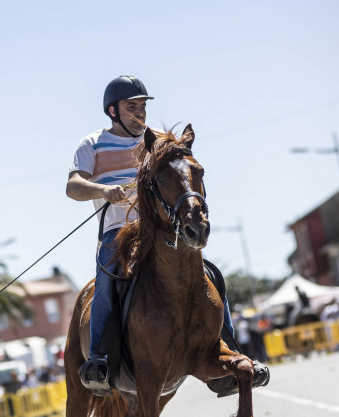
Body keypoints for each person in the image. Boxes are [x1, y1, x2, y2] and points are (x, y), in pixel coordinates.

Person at [67, 75, 235, 390]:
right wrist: (103, 190)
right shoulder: (92, 144)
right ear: (113, 111)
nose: (139, 113)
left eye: (142, 106)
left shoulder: (157, 140)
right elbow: (73, 186)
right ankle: (100, 360)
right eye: (132, 107)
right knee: (107, 280)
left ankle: (226, 348)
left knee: (210, 275)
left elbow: (183, 168)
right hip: (117, 233)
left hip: (161, 231)